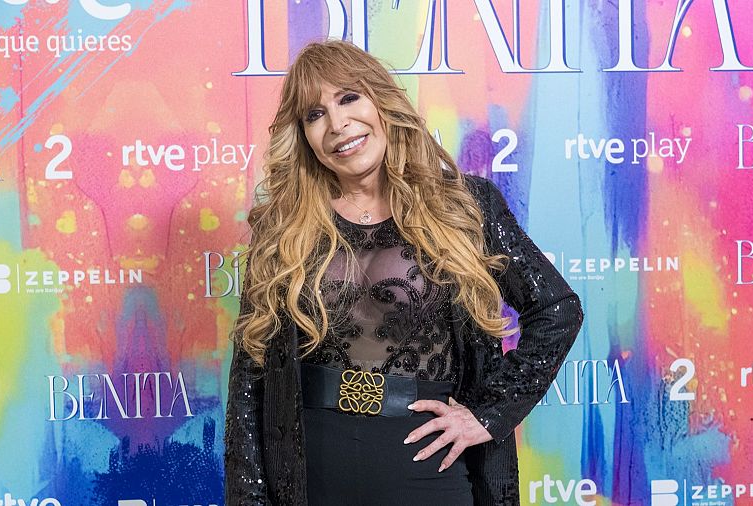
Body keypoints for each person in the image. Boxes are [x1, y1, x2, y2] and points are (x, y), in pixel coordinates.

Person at [224, 39, 583, 506]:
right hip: (308, 473)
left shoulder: (463, 206)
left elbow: (557, 310)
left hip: (430, 469)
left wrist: (488, 414)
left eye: (349, 98)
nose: (337, 124)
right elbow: (250, 382)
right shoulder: (285, 228)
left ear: (381, 101)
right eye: (314, 114)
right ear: (303, 135)